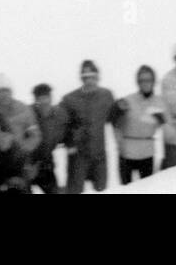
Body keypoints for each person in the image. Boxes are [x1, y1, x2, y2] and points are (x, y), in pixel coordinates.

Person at [59, 60, 115, 194]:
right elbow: (60, 122)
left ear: (97, 77)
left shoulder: (106, 95)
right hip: (78, 155)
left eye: (92, 77)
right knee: (74, 191)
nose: (89, 81)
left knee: (102, 191)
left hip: (99, 154)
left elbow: (113, 118)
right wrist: (68, 140)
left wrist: (121, 109)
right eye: (86, 78)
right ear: (81, 78)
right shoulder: (69, 99)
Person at [110, 65, 165, 185]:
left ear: (154, 81)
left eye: (148, 80)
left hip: (147, 154)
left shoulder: (160, 102)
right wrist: (118, 143)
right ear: (137, 82)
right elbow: (113, 121)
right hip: (127, 154)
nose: (145, 83)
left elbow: (166, 124)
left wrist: (161, 120)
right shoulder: (127, 100)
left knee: (147, 190)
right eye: (142, 80)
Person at [29, 83, 69, 194]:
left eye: (46, 98)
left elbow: (70, 128)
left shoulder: (60, 114)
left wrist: (72, 142)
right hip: (27, 163)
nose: (43, 102)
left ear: (51, 98)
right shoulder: (27, 114)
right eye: (40, 99)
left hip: (46, 163)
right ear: (35, 100)